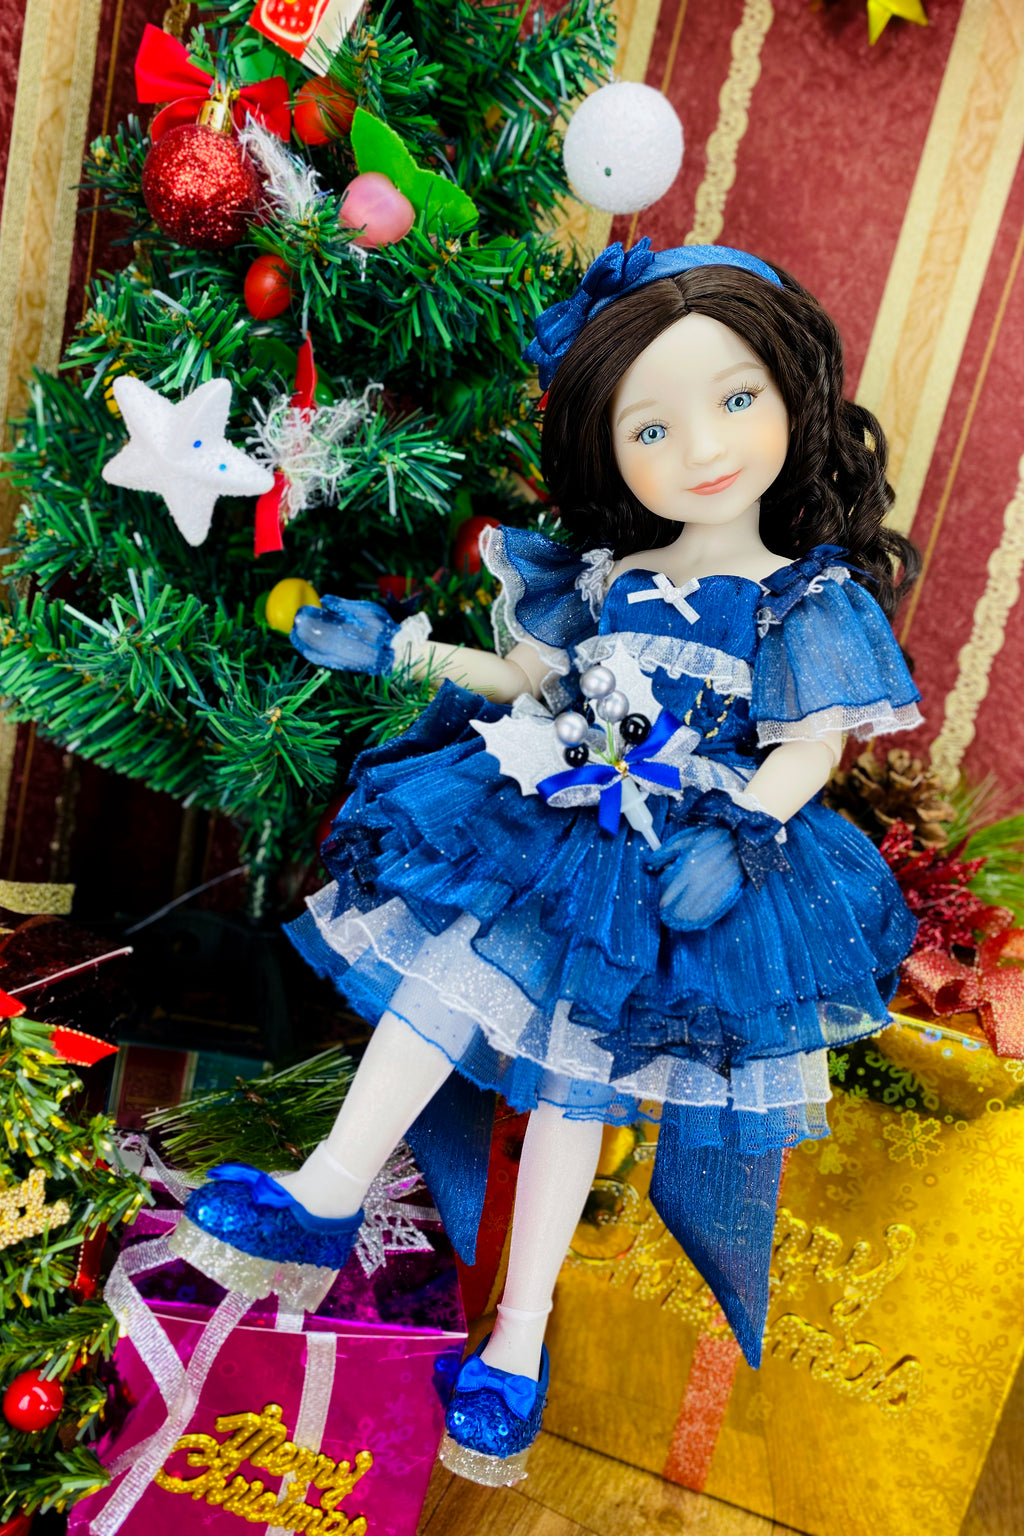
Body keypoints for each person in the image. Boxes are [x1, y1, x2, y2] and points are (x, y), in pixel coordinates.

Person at [173, 240, 922, 1487]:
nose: (703, 449)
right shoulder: (609, 575)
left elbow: (812, 743)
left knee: (578, 1091)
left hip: (681, 860)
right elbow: (531, 679)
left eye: (736, 399)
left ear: (792, 392)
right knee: (437, 988)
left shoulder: (799, 598)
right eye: (652, 428)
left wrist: (741, 835)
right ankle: (326, 1188)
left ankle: (513, 1356)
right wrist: (401, 655)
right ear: (605, 451)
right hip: (560, 822)